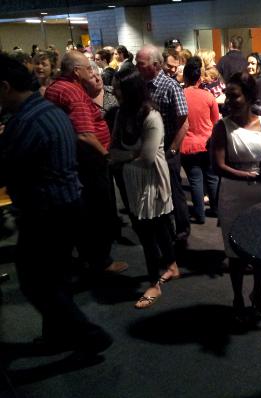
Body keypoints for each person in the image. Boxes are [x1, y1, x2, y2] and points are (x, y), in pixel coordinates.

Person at [0, 53, 113, 354]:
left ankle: (88, 334)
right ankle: (58, 335)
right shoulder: (49, 110)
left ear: (5, 86)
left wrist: (105, 157)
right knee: (56, 280)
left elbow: (8, 168)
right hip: (66, 203)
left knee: (37, 283)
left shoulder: (27, 120)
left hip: (47, 212)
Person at [45, 50, 127, 274]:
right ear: (76, 71)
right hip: (90, 161)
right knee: (97, 212)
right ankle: (101, 261)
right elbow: (84, 134)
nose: (91, 71)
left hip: (73, 159)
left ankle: (88, 257)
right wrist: (107, 155)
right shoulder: (74, 93)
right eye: (87, 68)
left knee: (86, 213)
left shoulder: (55, 88)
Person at [211, 72, 261, 324]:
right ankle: (237, 297)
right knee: (236, 253)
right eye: (227, 95)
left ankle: (257, 295)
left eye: (234, 95)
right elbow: (218, 166)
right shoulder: (222, 126)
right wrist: (249, 175)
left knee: (260, 250)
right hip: (233, 196)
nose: (228, 100)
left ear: (249, 96)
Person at [111, 70, 179, 309]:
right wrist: (130, 155)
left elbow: (148, 158)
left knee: (150, 231)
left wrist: (124, 156)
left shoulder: (152, 116)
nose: (114, 92)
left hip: (152, 179)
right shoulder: (122, 114)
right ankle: (171, 265)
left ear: (131, 91)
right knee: (156, 227)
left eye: (118, 88)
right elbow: (112, 150)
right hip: (132, 179)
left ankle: (154, 284)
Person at [136, 44, 191, 242]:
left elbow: (184, 122)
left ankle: (182, 230)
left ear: (156, 65)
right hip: (151, 148)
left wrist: (173, 149)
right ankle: (163, 229)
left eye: (141, 64)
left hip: (168, 149)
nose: (137, 67)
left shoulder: (170, 86)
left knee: (174, 190)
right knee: (156, 191)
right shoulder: (142, 84)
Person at [181, 56, 220, 223]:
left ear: (185, 76)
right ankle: (217, 209)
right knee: (212, 178)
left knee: (195, 180)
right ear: (199, 77)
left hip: (187, 146)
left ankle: (199, 214)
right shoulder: (208, 96)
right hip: (208, 143)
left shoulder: (181, 95)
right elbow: (216, 121)